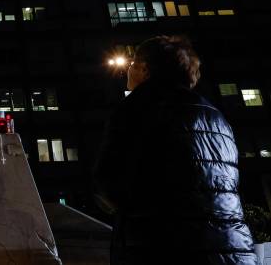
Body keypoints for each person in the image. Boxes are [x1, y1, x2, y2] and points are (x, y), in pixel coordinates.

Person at [93, 35, 257, 265]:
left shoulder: (137, 108)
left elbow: (110, 180)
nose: (128, 70)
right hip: (231, 250)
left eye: (132, 64)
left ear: (144, 69)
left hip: (164, 247)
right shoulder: (215, 115)